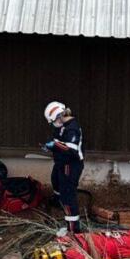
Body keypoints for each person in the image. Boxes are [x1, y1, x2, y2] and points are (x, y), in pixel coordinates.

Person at [43, 101, 84, 235]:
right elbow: (58, 140)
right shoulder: (62, 125)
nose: (52, 124)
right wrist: (50, 146)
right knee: (55, 179)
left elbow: (71, 149)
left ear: (59, 116)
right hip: (61, 163)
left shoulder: (72, 128)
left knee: (68, 196)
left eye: (53, 121)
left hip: (71, 165)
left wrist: (54, 145)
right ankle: (58, 201)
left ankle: (73, 230)